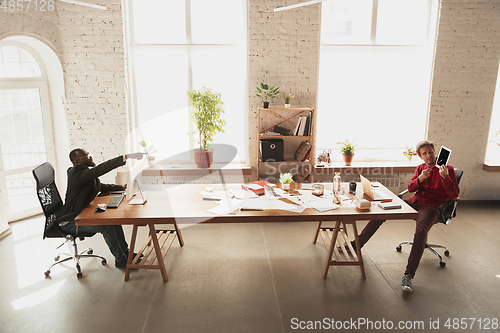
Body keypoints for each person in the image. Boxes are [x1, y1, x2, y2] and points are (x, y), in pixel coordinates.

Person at [343, 140, 459, 292]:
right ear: (421, 157)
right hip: (415, 201)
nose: (429, 155)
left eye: (430, 152)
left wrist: (445, 178)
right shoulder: (421, 168)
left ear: (434, 151)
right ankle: (356, 245)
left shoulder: (447, 169)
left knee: (421, 232)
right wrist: (420, 179)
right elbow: (411, 188)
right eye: (424, 153)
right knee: (382, 211)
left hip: (432, 207)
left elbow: (454, 195)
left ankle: (408, 275)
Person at [58, 148, 145, 269]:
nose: (90, 157)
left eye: (89, 154)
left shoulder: (84, 175)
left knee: (113, 220)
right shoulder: (76, 174)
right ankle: (120, 260)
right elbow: (100, 169)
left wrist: (121, 188)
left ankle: (126, 252)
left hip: (81, 215)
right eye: (86, 156)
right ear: (77, 161)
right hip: (70, 221)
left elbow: (99, 186)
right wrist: (126, 156)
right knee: (107, 226)